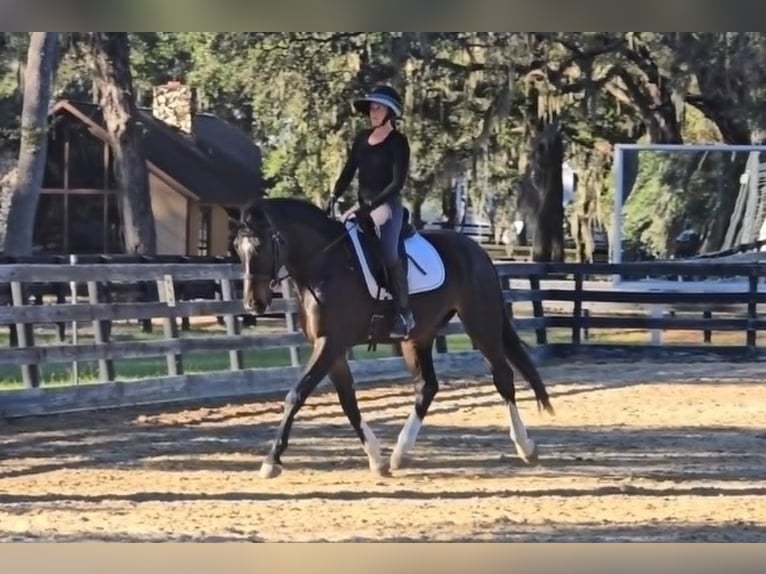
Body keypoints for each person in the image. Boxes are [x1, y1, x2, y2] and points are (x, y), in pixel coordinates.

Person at [325, 84, 415, 339]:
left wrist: (370, 206)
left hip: (386, 206)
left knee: (388, 254)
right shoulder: (362, 139)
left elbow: (397, 183)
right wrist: (334, 196)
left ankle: (403, 312)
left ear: (390, 112)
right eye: (371, 108)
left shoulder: (398, 142)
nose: (372, 112)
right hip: (361, 206)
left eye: (378, 108)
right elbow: (348, 171)